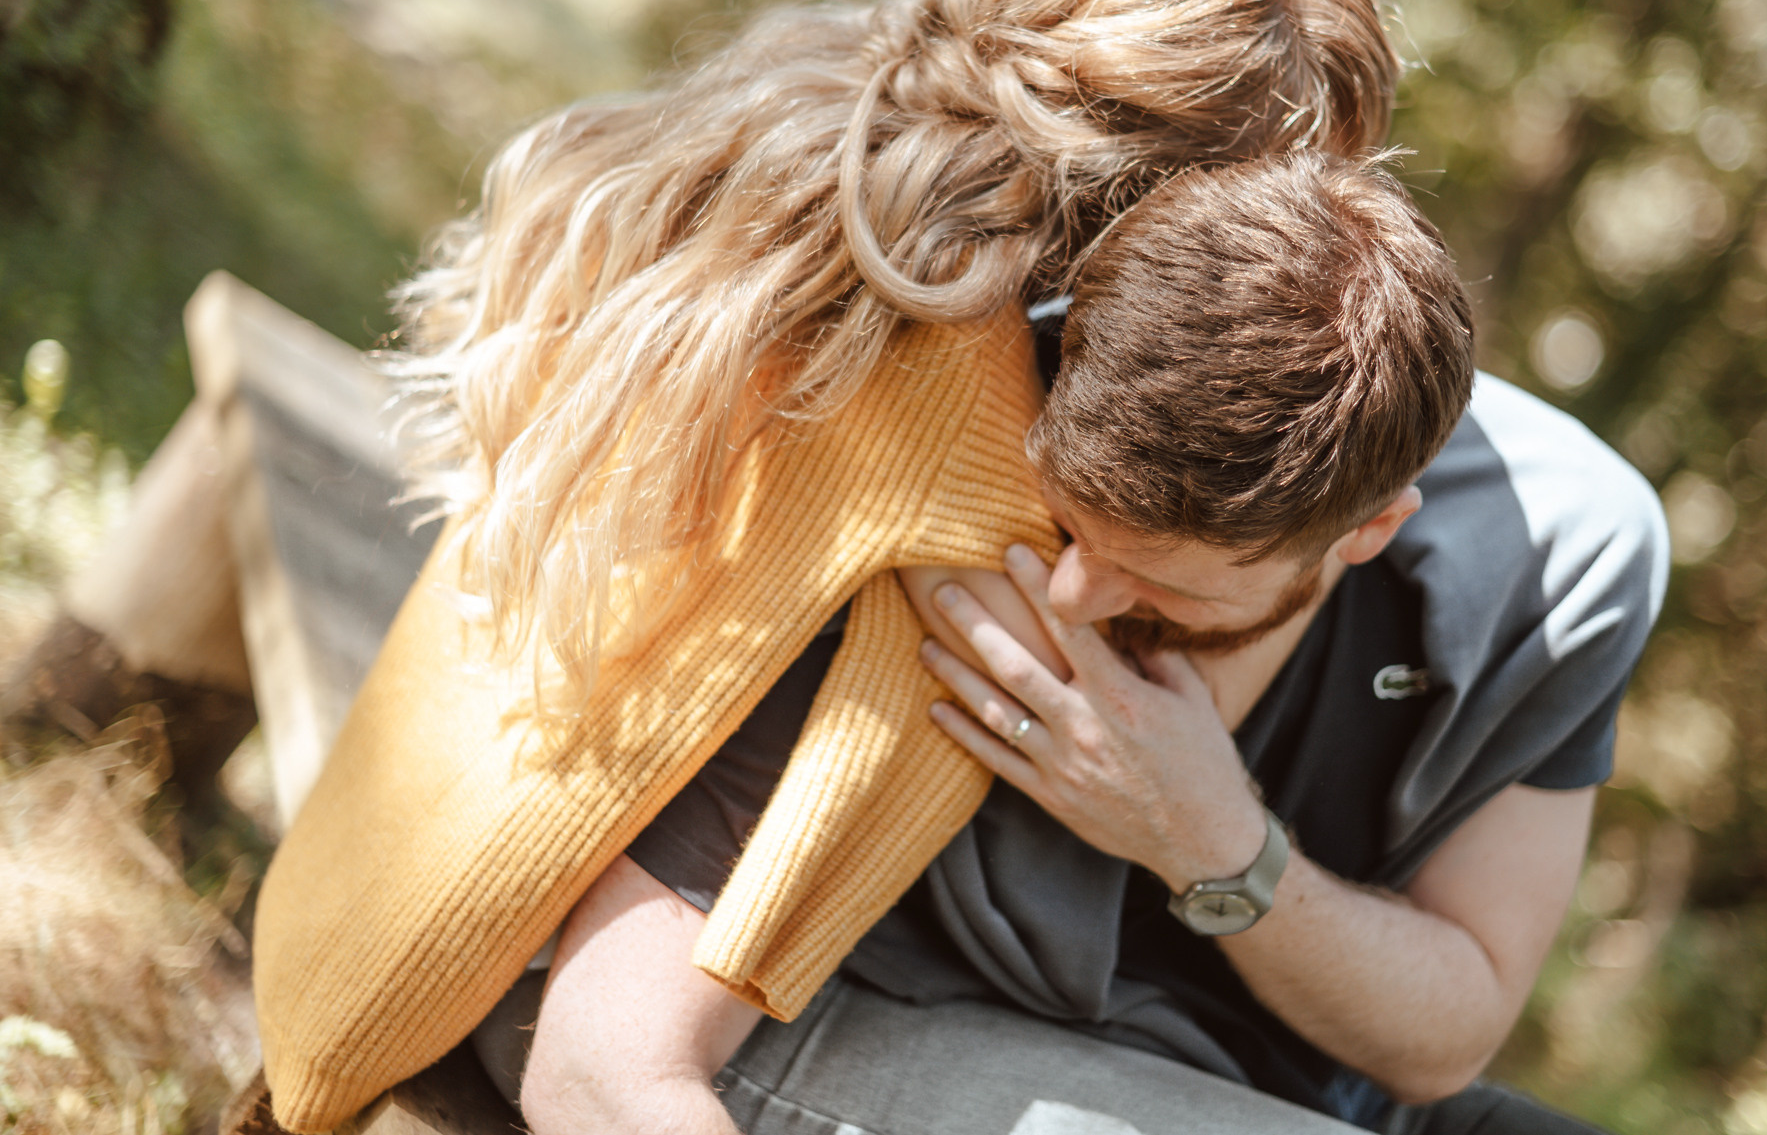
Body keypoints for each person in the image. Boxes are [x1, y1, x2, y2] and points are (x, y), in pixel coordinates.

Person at [246, 0, 1414, 1134]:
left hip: (359, 881)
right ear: (1167, 234)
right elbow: (619, 1066)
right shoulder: (973, 484)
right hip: (488, 977)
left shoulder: (799, 157)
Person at [502, 152, 1668, 1135]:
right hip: (877, 1021)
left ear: (1369, 530)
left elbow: (1448, 1035)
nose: (1069, 588)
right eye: (1066, 522)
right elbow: (604, 1060)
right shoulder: (953, 437)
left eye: (1156, 580)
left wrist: (1213, 839)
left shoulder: (1567, 563)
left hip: (1297, 1078)